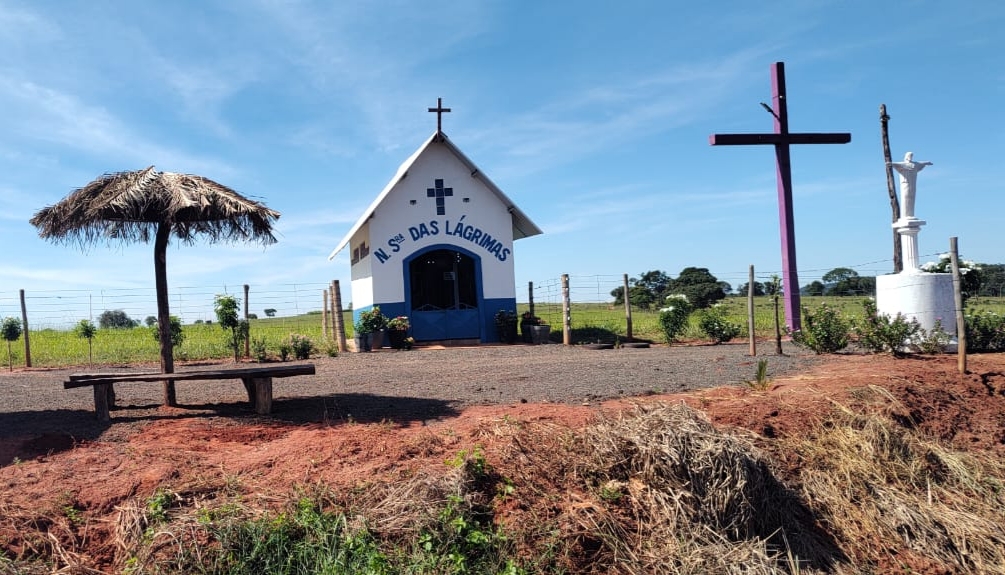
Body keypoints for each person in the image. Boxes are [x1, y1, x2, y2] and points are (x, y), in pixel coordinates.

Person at [887, 152, 933, 218]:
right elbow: (898, 164)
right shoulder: (903, 164)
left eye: (911, 156)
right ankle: (905, 215)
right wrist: (891, 164)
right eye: (909, 156)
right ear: (906, 157)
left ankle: (910, 214)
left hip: (912, 184)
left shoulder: (914, 164)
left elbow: (920, 163)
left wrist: (926, 162)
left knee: (912, 198)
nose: (910, 157)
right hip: (905, 184)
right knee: (905, 197)